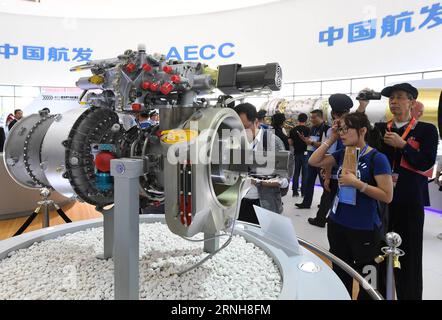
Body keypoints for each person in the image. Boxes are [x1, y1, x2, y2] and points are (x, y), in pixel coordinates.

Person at [357, 83, 439, 300]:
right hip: (381, 200)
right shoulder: (382, 129)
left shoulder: (427, 130)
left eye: (400, 97)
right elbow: (360, 136)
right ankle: (376, 295)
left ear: (411, 102)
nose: (394, 102)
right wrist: (362, 106)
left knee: (409, 256)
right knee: (377, 252)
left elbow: (426, 163)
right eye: (391, 98)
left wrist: (404, 145)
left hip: (409, 202)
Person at [309, 112, 393, 300]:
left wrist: (358, 184)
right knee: (340, 270)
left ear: (362, 131)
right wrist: (331, 139)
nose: (342, 134)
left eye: (347, 130)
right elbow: (313, 161)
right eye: (341, 129)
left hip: (364, 228)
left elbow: (387, 196)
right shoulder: (343, 153)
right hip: (338, 223)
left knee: (368, 278)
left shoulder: (377, 159)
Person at [234, 103, 289, 223]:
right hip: (238, 204)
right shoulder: (234, 142)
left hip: (264, 205)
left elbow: (284, 181)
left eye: (245, 127)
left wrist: (257, 180)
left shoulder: (273, 143)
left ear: (256, 122)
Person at [309, 94, 353, 227]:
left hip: (334, 171)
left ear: (333, 113)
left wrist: (327, 176)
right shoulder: (352, 130)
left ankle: (321, 219)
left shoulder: (332, 131)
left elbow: (328, 155)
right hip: (350, 173)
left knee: (327, 195)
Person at [295, 110, 330, 209]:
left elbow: (326, 144)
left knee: (324, 183)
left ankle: (325, 204)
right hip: (311, 157)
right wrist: (305, 140)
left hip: (322, 159)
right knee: (309, 181)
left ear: (321, 117)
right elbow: (311, 142)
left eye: (314, 117)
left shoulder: (327, 129)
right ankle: (306, 203)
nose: (312, 119)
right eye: (311, 117)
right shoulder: (312, 128)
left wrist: (311, 143)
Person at [288, 113, 310, 197]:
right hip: (306, 153)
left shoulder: (293, 130)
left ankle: (294, 191)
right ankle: (303, 192)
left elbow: (290, 142)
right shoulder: (308, 129)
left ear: (298, 119)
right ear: (306, 120)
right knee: (305, 173)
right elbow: (308, 141)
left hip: (296, 153)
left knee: (296, 172)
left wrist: (295, 144)